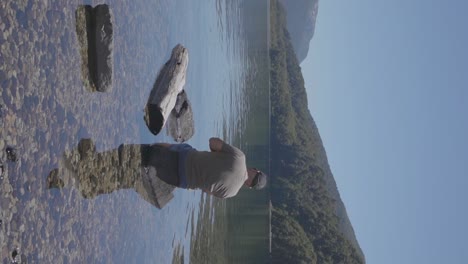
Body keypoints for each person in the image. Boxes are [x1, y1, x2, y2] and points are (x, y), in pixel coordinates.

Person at [48, 137, 267, 208]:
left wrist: (215, 154)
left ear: (255, 171)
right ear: (250, 186)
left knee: (133, 155)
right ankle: (92, 184)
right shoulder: (231, 193)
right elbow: (206, 190)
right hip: (179, 180)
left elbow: (213, 142)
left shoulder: (240, 158)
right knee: (130, 176)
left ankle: (86, 167)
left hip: (179, 158)